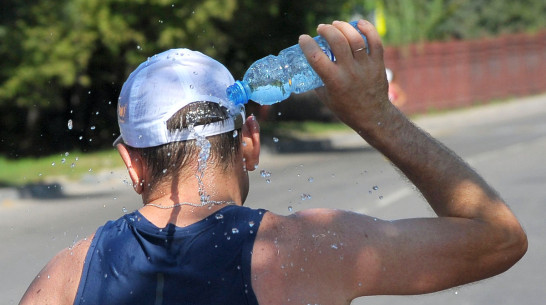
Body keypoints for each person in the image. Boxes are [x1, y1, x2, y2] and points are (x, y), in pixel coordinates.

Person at [20, 20, 527, 305]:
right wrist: (377, 118)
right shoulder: (312, 250)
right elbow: (498, 238)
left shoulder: (62, 281)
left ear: (131, 165)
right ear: (250, 142)